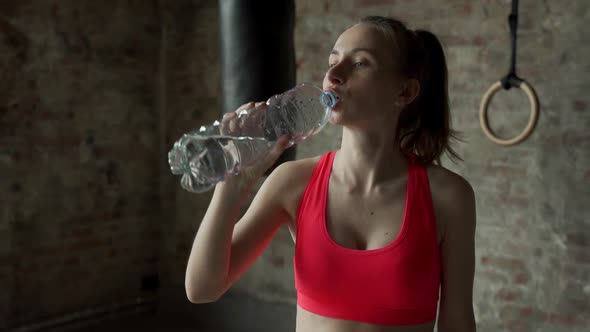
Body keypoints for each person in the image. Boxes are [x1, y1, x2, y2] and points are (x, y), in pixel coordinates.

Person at [184, 15, 477, 332]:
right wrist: (231, 186)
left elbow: (457, 321)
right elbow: (202, 289)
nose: (333, 75)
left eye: (360, 63)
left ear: (405, 92)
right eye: (332, 62)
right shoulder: (292, 182)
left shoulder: (448, 197)